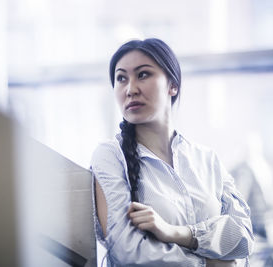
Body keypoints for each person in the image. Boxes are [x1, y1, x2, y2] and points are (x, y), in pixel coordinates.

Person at [90, 38, 254, 267]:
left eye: (143, 74)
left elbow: (243, 240)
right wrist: (209, 263)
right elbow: (126, 251)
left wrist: (176, 233)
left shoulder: (207, 159)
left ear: (172, 85)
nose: (130, 89)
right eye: (121, 78)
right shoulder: (110, 156)